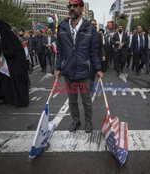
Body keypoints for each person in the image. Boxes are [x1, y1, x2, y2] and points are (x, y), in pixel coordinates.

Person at [55, 0, 103, 133]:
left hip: (84, 72)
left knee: (86, 101)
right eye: (70, 6)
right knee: (72, 101)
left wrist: (98, 68)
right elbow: (60, 50)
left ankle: (88, 121)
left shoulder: (90, 28)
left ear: (81, 9)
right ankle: (76, 120)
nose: (72, 8)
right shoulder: (62, 27)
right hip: (68, 71)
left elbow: (94, 51)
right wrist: (58, 67)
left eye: (75, 6)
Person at [0, 20, 29, 107]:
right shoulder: (8, 37)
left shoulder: (8, 38)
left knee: (19, 83)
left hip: (17, 64)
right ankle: (18, 100)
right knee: (17, 83)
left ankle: (22, 101)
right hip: (16, 64)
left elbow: (11, 52)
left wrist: (3, 52)